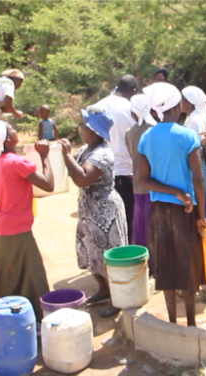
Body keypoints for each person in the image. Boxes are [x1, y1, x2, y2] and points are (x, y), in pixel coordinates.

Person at [137, 83, 206, 327]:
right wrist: (201, 214)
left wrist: (172, 191)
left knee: (166, 266)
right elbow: (198, 179)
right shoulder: (187, 135)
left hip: (159, 211)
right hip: (185, 210)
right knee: (188, 264)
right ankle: (190, 323)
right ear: (177, 107)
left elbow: (143, 178)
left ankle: (171, 322)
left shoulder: (147, 136)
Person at [0, 121, 54, 321]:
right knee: (34, 275)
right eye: (12, 129)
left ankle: (2, 317)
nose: (16, 129)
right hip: (18, 228)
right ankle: (40, 320)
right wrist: (45, 156)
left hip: (2, 225)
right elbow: (48, 185)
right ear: (7, 139)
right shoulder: (17, 162)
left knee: (8, 275)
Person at [61, 106, 128, 317]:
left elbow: (82, 178)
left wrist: (66, 156)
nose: (80, 128)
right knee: (90, 251)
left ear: (93, 130)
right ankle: (103, 289)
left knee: (108, 254)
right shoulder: (86, 149)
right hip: (90, 209)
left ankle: (117, 298)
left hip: (105, 212)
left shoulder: (103, 153)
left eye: (84, 125)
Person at [95, 74, 138, 242]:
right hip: (126, 173)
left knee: (107, 224)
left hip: (99, 173)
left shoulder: (98, 106)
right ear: (133, 91)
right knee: (127, 223)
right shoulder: (130, 109)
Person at [126, 94, 156, 247]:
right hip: (156, 185)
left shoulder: (129, 133)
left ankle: (144, 261)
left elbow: (133, 155)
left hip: (138, 185)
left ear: (132, 113)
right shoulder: (155, 129)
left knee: (141, 226)